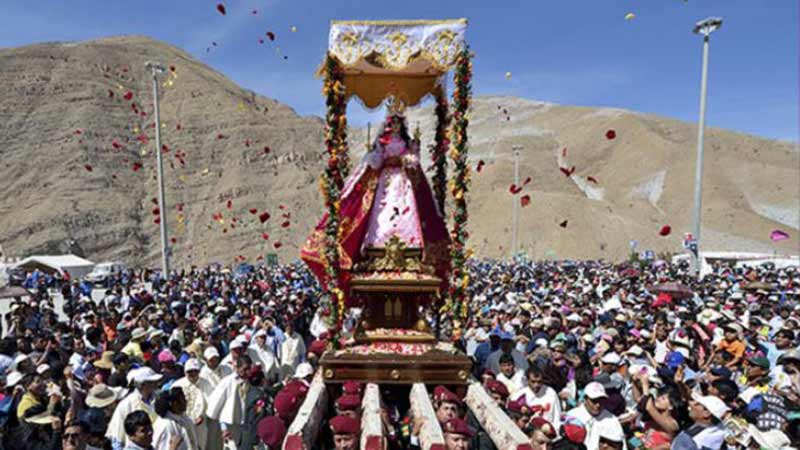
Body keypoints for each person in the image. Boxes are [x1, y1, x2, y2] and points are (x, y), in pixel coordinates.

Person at [301, 102, 451, 303]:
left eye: (398, 122)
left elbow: (414, 158)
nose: (396, 126)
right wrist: (375, 158)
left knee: (406, 213)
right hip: (386, 181)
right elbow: (375, 160)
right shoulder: (382, 141)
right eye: (393, 122)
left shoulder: (408, 141)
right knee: (381, 215)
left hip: (402, 182)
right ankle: (376, 246)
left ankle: (410, 247)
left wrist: (410, 158)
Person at [106, 367, 163, 450]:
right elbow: (117, 437)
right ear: (142, 384)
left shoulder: (158, 399)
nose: (156, 384)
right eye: (152, 382)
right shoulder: (126, 404)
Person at [206, 355, 252, 448]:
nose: (248, 372)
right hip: (230, 426)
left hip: (246, 425)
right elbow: (217, 404)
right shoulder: (227, 382)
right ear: (238, 368)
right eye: (245, 369)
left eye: (249, 368)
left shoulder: (250, 381)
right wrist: (223, 427)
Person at [564, 382, 626, 450]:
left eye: (601, 401)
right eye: (594, 401)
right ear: (585, 399)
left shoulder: (612, 420)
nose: (598, 405)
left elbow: (621, 445)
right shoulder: (572, 416)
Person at [173, 359, 211, 450]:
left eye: (195, 371)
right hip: (183, 423)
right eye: (190, 371)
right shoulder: (178, 385)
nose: (193, 374)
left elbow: (211, 402)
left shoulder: (205, 383)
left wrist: (203, 415)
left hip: (200, 424)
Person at [511, 364, 562, 430]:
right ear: (527, 380)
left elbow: (557, 416)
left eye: (539, 382)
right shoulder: (519, 395)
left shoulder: (550, 393)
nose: (536, 385)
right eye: (533, 382)